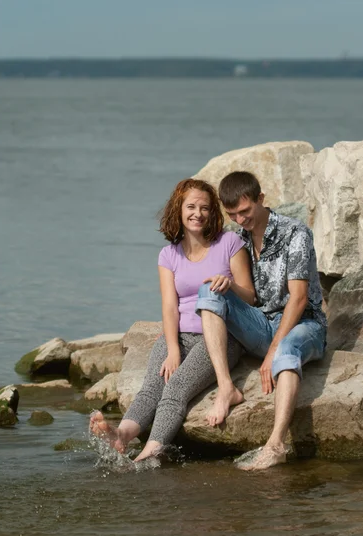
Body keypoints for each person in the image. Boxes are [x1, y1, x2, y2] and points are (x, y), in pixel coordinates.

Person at [90, 178, 255, 462]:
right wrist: (173, 348)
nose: (198, 213)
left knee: (175, 388)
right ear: (179, 210)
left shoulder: (230, 242)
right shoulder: (169, 255)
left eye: (205, 208)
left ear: (213, 212)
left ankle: (152, 449)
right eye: (191, 206)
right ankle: (122, 435)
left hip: (219, 338)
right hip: (180, 336)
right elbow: (169, 306)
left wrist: (229, 285)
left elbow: (250, 296)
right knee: (152, 387)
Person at [195, 171, 327, 471]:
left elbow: (299, 298)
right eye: (233, 215)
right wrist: (226, 285)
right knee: (210, 289)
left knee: (286, 349)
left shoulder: (296, 233)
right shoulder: (236, 237)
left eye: (245, 211)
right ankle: (227, 388)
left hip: (304, 325)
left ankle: (276, 444)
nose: (241, 220)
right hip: (261, 321)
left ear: (261, 200)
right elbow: (251, 298)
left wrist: (271, 353)